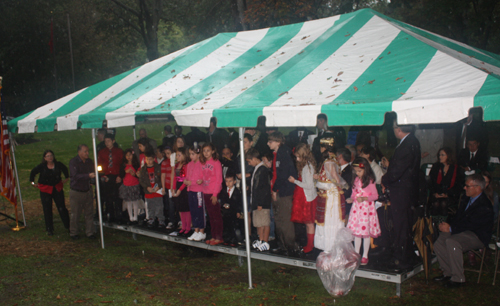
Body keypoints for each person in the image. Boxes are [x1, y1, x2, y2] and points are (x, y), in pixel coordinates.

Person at [433, 174, 494, 288]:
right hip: (462, 231)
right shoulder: (466, 198)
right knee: (439, 241)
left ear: (477, 188)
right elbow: (459, 217)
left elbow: (472, 225)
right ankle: (448, 272)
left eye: (467, 186)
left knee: (452, 242)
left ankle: (458, 279)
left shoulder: (484, 205)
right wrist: (447, 225)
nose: (464, 188)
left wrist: (451, 229)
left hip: (477, 235)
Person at [381, 121, 421, 272]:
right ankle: (402, 257)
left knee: (402, 227)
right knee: (401, 227)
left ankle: (403, 261)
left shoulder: (407, 144)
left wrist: (385, 179)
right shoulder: (409, 142)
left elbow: (398, 171)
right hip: (403, 191)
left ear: (398, 130)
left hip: (402, 192)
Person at [313, 137, 348, 252]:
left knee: (329, 219)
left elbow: (336, 179)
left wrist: (337, 185)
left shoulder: (329, 162)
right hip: (329, 194)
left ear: (324, 148)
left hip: (330, 196)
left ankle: (329, 247)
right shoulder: (332, 161)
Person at [267, 132, 299, 254]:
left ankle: (291, 246)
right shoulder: (277, 153)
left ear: (278, 142)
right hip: (280, 189)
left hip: (284, 191)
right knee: (279, 219)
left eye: (270, 141)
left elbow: (283, 175)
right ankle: (283, 245)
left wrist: (275, 190)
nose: (268, 144)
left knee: (285, 220)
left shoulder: (283, 153)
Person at [346, 157, 381, 265]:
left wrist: (365, 198)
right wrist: (352, 198)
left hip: (366, 209)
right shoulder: (356, 180)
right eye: (356, 171)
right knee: (357, 233)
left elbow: (375, 196)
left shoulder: (370, 181)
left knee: (365, 234)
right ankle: (356, 254)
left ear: (366, 169)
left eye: (359, 171)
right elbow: (354, 193)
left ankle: (365, 255)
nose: (357, 173)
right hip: (357, 209)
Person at [30, 150, 70, 236]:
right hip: (46, 190)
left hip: (57, 189)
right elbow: (33, 172)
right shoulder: (42, 167)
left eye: (51, 155)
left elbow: (65, 169)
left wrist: (66, 178)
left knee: (62, 207)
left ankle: (68, 226)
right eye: (48, 156)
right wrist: (33, 183)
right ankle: (49, 228)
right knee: (47, 209)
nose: (50, 157)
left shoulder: (58, 165)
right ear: (44, 158)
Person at [288, 143, 317, 254]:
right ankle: (309, 243)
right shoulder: (305, 166)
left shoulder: (307, 168)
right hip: (304, 196)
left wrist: (294, 181)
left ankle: (310, 245)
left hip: (307, 197)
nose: (297, 158)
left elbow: (309, 185)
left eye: (298, 156)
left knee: (309, 223)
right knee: (307, 223)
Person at [247, 148, 272, 251]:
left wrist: (260, 202)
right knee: (258, 222)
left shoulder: (263, 169)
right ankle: (260, 240)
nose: (249, 164)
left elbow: (264, 188)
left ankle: (265, 241)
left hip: (262, 202)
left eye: (249, 161)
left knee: (264, 222)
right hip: (257, 202)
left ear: (254, 159)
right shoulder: (257, 169)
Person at [69, 144, 96, 240]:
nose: (87, 153)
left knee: (89, 213)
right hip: (77, 192)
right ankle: (74, 232)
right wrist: (88, 176)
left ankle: (90, 232)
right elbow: (75, 176)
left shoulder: (89, 162)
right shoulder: (73, 162)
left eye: (88, 151)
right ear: (79, 152)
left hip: (87, 190)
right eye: (85, 151)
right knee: (75, 213)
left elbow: (93, 172)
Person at [428, 147, 464, 218]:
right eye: (439, 155)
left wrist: (447, 194)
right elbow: (431, 182)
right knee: (436, 203)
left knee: (444, 203)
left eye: (442, 155)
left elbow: (459, 185)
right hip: (436, 194)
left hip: (450, 195)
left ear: (449, 156)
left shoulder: (457, 169)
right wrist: (435, 193)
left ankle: (444, 224)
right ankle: (434, 225)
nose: (440, 157)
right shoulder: (436, 167)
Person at [201, 142, 224, 245]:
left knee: (216, 216)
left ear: (213, 151)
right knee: (210, 216)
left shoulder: (216, 163)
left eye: (208, 150)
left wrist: (215, 194)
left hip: (213, 193)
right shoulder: (203, 163)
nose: (206, 153)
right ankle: (213, 236)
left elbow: (219, 180)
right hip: (205, 192)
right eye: (204, 151)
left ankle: (218, 237)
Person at [97, 134, 124, 222]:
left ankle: (119, 215)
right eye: (105, 142)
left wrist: (120, 176)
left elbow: (122, 164)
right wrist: (102, 175)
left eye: (108, 141)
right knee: (108, 197)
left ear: (113, 141)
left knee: (118, 196)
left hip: (116, 176)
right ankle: (110, 215)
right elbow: (99, 165)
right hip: (107, 176)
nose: (107, 143)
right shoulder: (101, 152)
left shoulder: (119, 151)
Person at [185, 144, 206, 242]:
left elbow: (203, 178)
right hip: (190, 190)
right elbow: (187, 176)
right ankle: (196, 230)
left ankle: (202, 231)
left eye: (193, 154)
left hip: (198, 191)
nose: (191, 156)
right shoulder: (189, 164)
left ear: (198, 154)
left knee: (199, 211)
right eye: (190, 154)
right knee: (193, 211)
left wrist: (194, 182)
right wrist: (186, 181)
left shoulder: (202, 164)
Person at [139, 151, 165, 228]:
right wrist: (147, 187)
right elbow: (141, 180)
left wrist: (159, 186)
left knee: (159, 206)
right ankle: (151, 218)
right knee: (150, 206)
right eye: (147, 159)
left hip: (157, 191)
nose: (149, 161)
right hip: (148, 191)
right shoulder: (143, 169)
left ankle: (160, 219)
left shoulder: (158, 168)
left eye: (150, 159)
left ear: (154, 159)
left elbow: (161, 179)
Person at [119, 148, 142, 224]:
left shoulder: (136, 164)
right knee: (128, 202)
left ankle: (135, 217)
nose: (128, 157)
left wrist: (134, 174)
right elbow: (121, 174)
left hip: (134, 185)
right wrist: (125, 171)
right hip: (127, 185)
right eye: (127, 155)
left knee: (135, 201)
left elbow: (138, 175)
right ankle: (130, 217)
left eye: (130, 155)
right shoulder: (123, 165)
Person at [219, 172, 242, 246]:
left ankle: (233, 240)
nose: (228, 183)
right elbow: (221, 200)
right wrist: (223, 205)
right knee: (226, 226)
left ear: (234, 182)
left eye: (230, 181)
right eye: (226, 181)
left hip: (233, 212)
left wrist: (238, 211)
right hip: (225, 212)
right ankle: (226, 239)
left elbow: (239, 202)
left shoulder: (237, 192)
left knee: (233, 226)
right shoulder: (223, 191)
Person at [171, 148, 191, 236]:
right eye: (177, 155)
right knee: (180, 208)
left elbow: (186, 179)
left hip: (184, 188)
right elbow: (175, 178)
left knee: (186, 208)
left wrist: (179, 190)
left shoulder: (186, 165)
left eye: (179, 155)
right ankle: (183, 225)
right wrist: (174, 188)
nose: (177, 157)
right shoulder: (176, 165)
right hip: (178, 186)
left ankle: (188, 227)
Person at [336, 148, 354, 217]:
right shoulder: (339, 169)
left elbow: (347, 190)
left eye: (336, 156)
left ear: (340, 156)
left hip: (345, 202)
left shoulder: (349, 171)